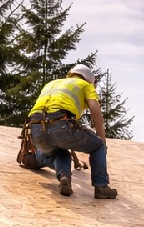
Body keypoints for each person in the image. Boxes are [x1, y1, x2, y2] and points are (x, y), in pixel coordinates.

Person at [27, 63, 117, 199]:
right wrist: (102, 139)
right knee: (98, 145)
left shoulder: (52, 83)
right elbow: (95, 111)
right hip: (61, 123)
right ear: (89, 80)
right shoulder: (85, 85)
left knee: (59, 152)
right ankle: (101, 186)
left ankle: (64, 176)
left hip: (35, 129)